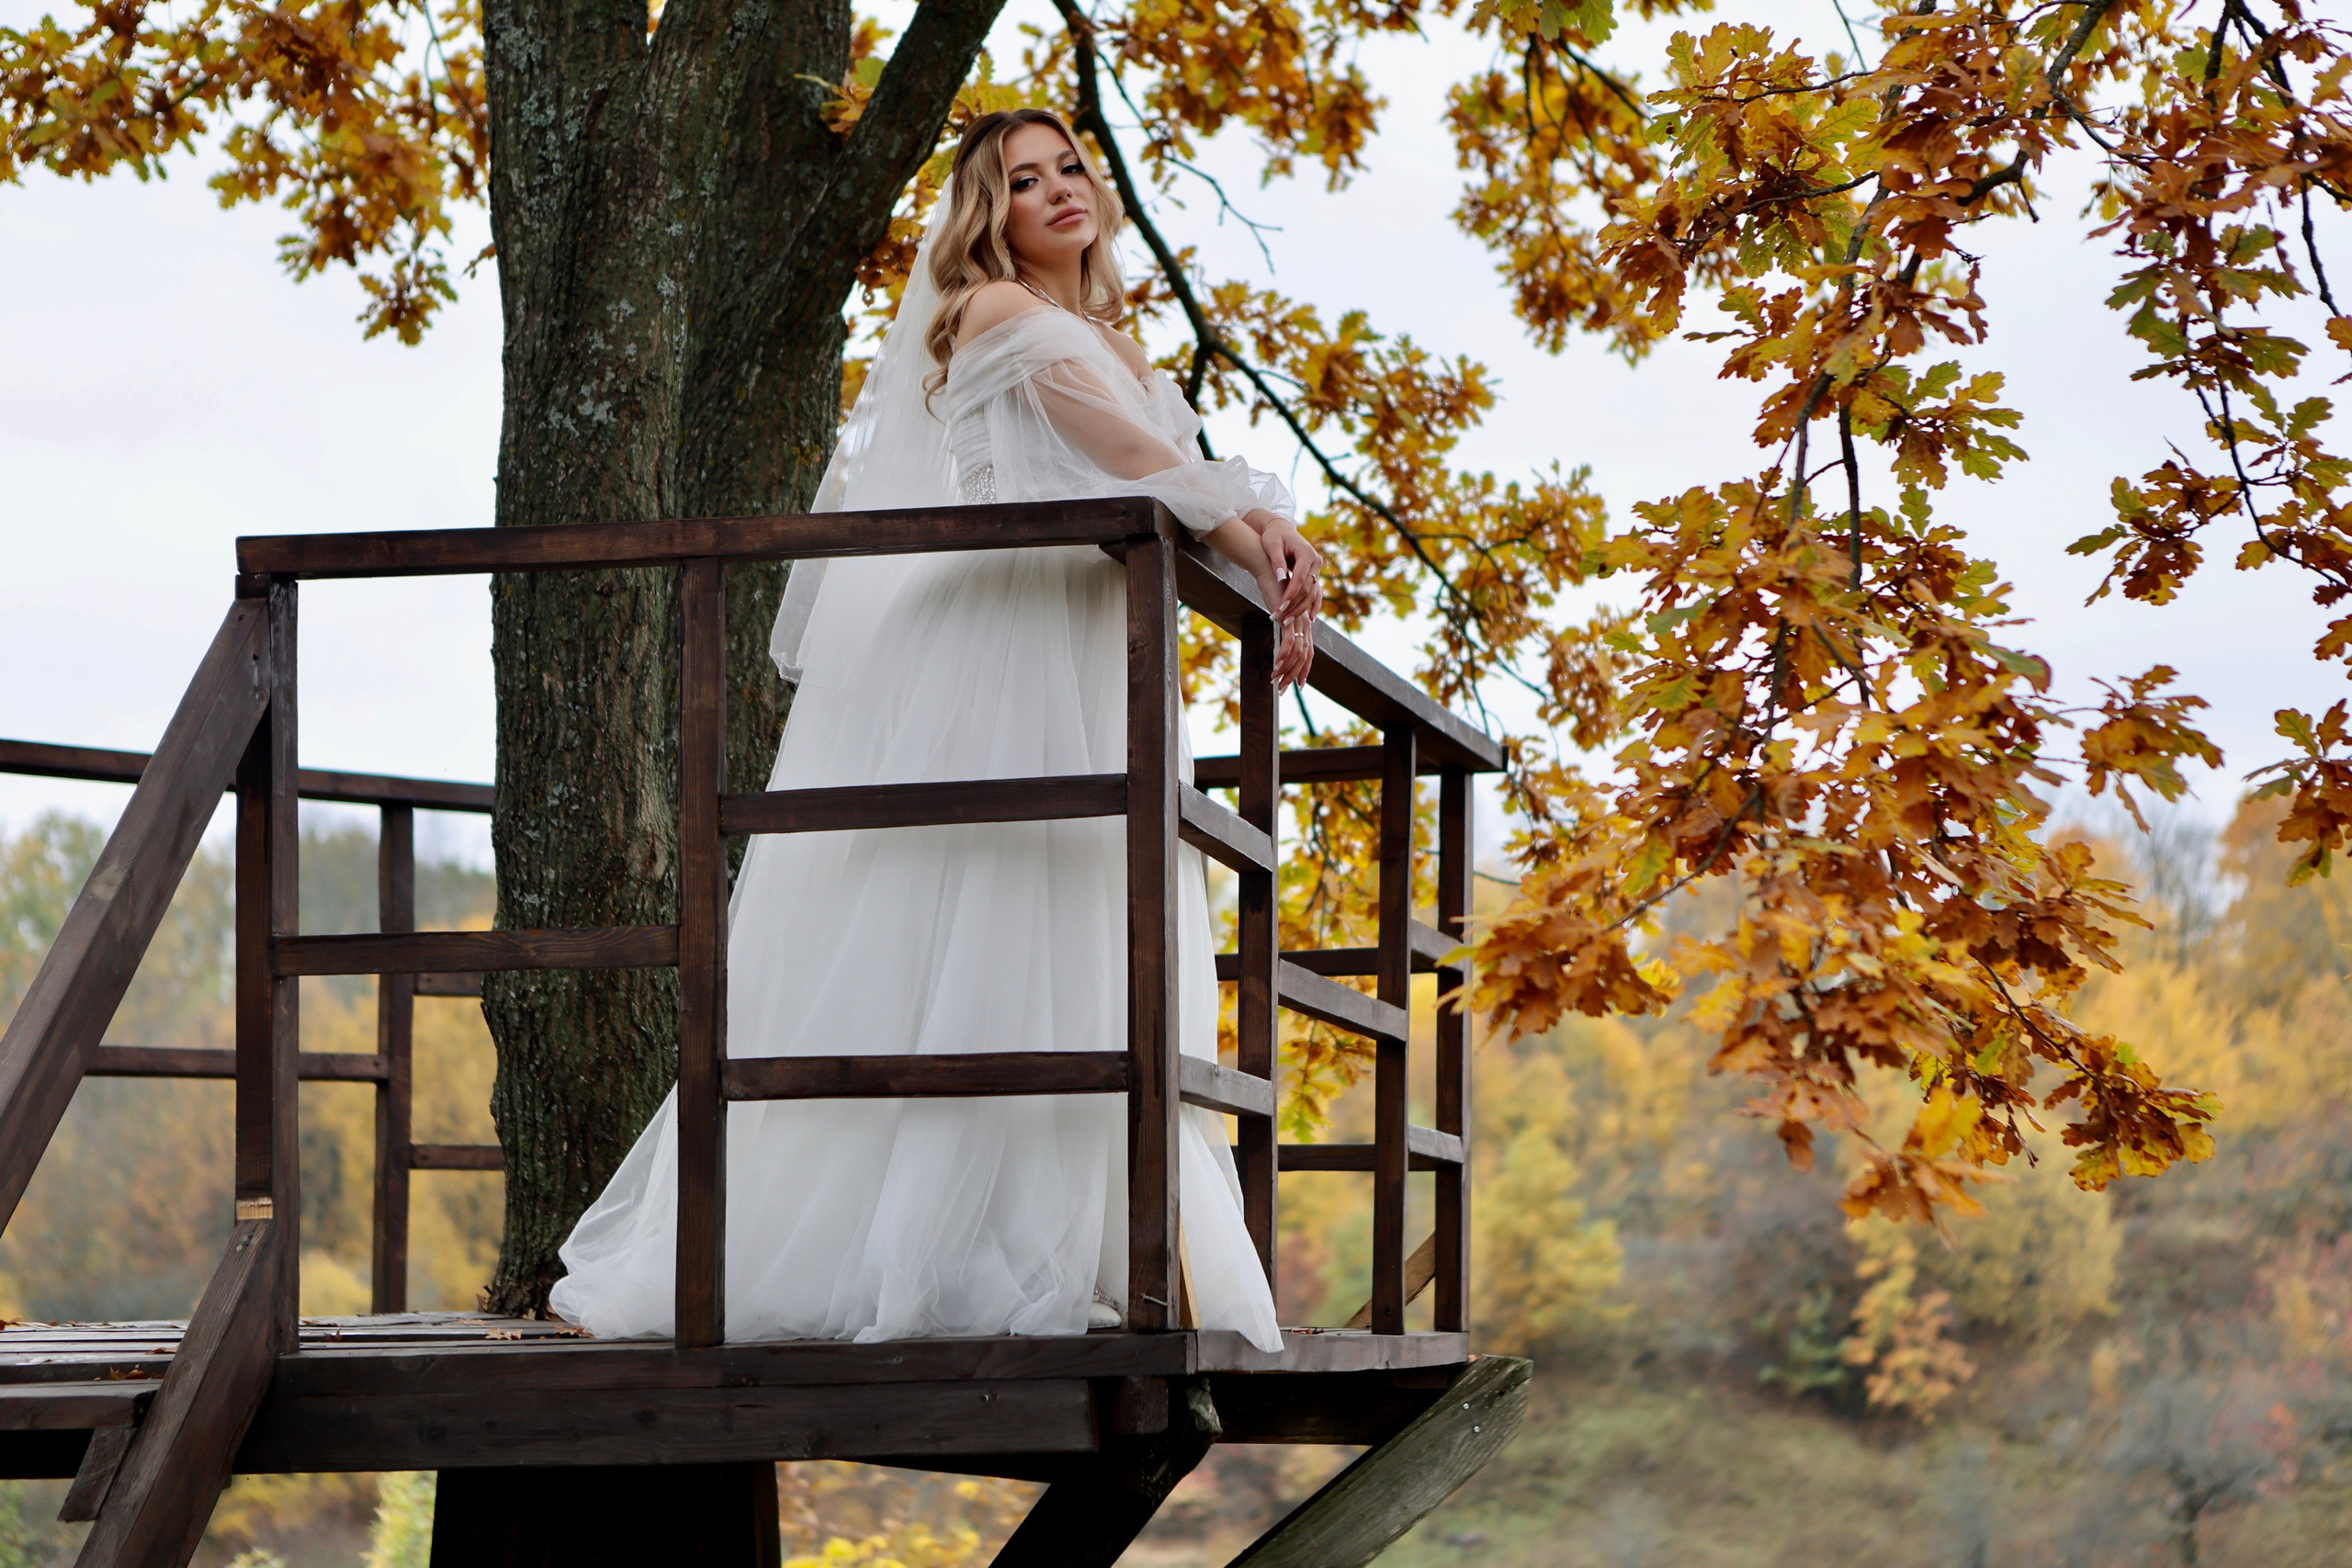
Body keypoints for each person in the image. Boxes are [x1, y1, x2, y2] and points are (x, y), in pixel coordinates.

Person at [547, 109, 1319, 1349]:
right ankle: (919, 1255)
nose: (1059, 187)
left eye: (1071, 166)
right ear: (989, 217)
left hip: (1085, 638)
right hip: (1006, 640)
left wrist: (1251, 536)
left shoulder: (1111, 334)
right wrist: (1261, 527)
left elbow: (1155, 462)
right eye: (1025, 180)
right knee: (980, 925)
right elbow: (1127, 457)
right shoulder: (1002, 315)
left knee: (1076, 933)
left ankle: (1067, 1247)